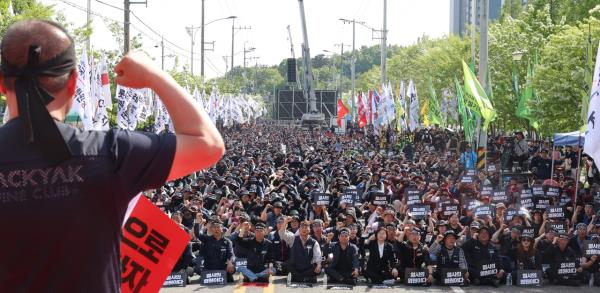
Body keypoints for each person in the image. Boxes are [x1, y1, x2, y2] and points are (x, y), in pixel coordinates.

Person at [0, 20, 224, 291]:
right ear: (74, 83)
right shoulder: (110, 153)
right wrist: (155, 76)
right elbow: (208, 144)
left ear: (2, 83)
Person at [279, 218, 322, 283]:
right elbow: (281, 233)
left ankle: (297, 278)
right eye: (302, 227)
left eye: (306, 228)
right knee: (285, 265)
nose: (304, 229)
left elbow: (318, 256)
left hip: (307, 268)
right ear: (299, 230)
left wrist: (318, 265)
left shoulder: (314, 242)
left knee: (318, 270)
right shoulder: (293, 238)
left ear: (309, 230)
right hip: (295, 268)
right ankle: (305, 279)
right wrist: (285, 222)